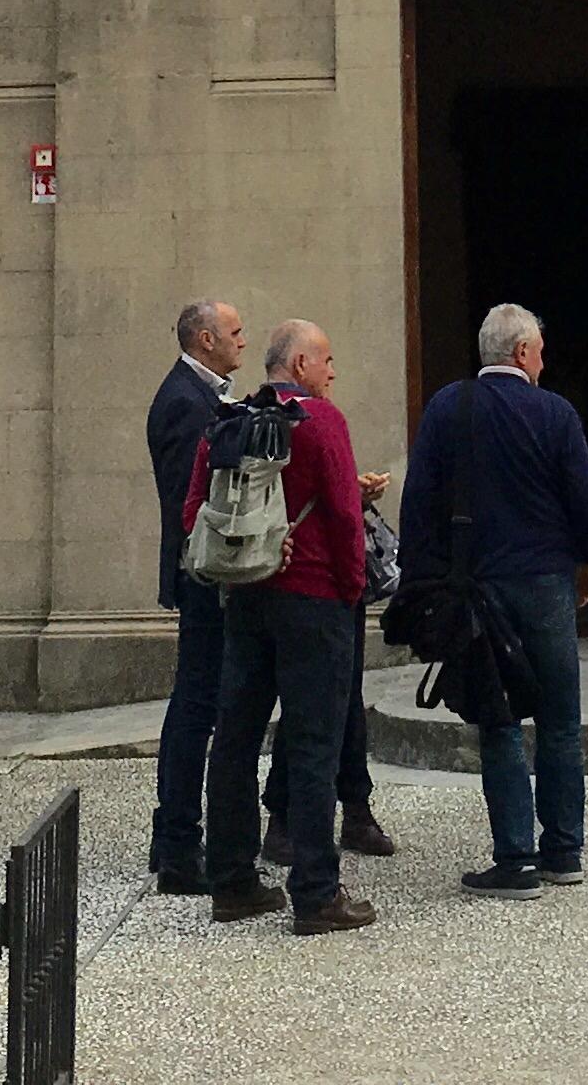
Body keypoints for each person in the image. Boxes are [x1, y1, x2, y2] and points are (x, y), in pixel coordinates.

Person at [400, 300, 588, 894]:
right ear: (521, 352)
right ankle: (564, 851)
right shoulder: (556, 414)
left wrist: (423, 580)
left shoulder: (449, 407)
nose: (544, 362)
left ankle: (514, 857)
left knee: (499, 719)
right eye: (539, 351)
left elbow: (421, 501)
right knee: (561, 720)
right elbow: (585, 499)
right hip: (546, 581)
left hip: (478, 586)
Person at [188, 319, 380, 933]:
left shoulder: (227, 420)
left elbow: (196, 511)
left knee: (237, 737)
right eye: (325, 360)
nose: (332, 372)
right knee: (314, 743)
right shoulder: (323, 423)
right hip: (315, 599)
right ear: (299, 364)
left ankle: (232, 881)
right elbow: (348, 520)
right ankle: (317, 894)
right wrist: (352, 589)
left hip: (246, 596)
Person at [146, 296, 249, 893]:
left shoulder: (203, 395)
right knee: (196, 705)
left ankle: (177, 837)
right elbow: (196, 500)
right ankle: (179, 845)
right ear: (205, 339)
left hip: (204, 572)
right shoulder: (186, 402)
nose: (242, 340)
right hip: (202, 573)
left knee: (198, 703)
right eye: (234, 333)